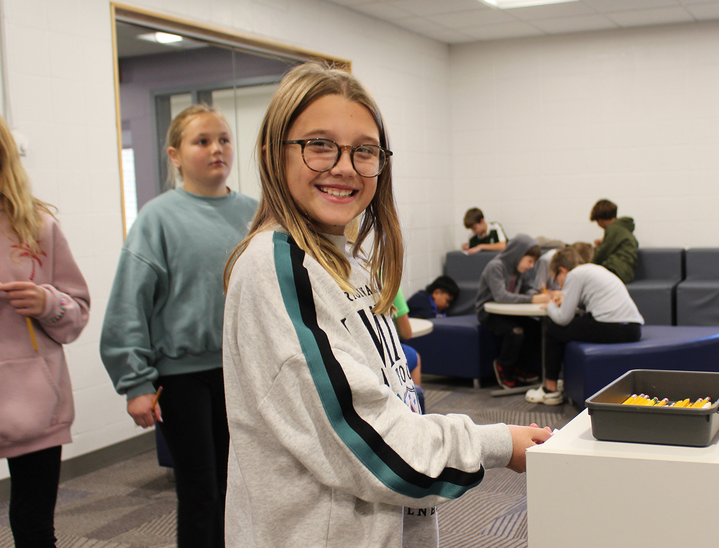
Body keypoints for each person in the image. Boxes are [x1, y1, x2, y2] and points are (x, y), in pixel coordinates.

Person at [220, 62, 551, 548]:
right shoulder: (278, 268)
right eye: (319, 145)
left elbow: (387, 405)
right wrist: (498, 444)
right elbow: (372, 445)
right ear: (273, 153)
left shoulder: (341, 258)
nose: (344, 166)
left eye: (364, 151)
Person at [100, 104, 256, 548]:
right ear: (174, 154)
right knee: (201, 492)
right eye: (201, 141)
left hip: (244, 372)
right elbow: (128, 304)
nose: (216, 149)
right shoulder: (157, 217)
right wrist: (136, 383)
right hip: (182, 377)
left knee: (241, 490)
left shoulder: (256, 214)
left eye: (223, 139)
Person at [0, 98, 90, 548]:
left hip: (37, 410)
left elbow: (77, 314)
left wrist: (47, 302)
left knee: (34, 530)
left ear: (0, 148)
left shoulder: (37, 225)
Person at [525, 247, 644, 405]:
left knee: (554, 329)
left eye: (557, 279)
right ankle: (559, 383)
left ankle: (550, 390)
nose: (560, 285)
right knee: (578, 322)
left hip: (614, 327)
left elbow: (563, 318)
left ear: (562, 270)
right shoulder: (592, 269)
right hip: (632, 328)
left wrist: (549, 305)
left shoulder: (574, 275)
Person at [474, 233, 550, 389]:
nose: (530, 266)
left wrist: (535, 294)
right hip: (489, 313)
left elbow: (527, 288)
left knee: (536, 328)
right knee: (515, 331)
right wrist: (532, 299)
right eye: (529, 261)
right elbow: (500, 296)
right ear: (518, 254)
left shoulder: (519, 269)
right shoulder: (496, 267)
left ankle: (520, 367)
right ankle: (503, 365)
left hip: (509, 312)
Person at [591, 199, 638, 283]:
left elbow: (601, 255)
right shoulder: (623, 228)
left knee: (587, 276)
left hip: (618, 270)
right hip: (626, 271)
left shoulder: (613, 229)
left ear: (600, 220)